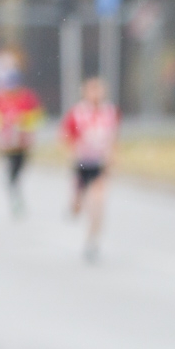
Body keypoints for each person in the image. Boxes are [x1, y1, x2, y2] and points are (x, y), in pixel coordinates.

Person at [62, 76, 119, 261]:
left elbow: (113, 137)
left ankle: (92, 239)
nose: (96, 94)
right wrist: (74, 152)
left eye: (99, 90)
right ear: (85, 92)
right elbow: (66, 136)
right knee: (79, 206)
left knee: (98, 202)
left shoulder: (110, 112)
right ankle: (75, 202)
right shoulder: (78, 113)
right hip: (81, 163)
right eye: (92, 90)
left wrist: (112, 157)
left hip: (99, 164)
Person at [0, 67, 42, 217]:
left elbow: (36, 117)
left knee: (21, 167)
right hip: (7, 143)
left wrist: (25, 125)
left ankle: (14, 185)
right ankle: (14, 192)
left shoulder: (27, 98)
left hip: (22, 142)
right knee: (12, 168)